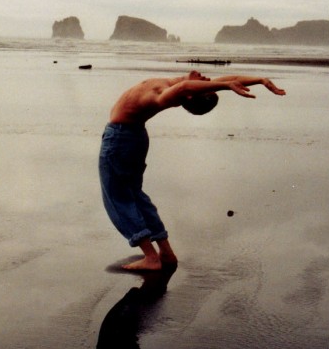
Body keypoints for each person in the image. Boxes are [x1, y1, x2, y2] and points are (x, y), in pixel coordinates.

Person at [99, 70, 286, 270]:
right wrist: (259, 79)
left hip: (120, 139)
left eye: (202, 85)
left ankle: (151, 258)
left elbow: (190, 87)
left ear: (189, 95)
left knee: (117, 197)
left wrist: (225, 86)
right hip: (131, 137)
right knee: (135, 195)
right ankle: (166, 253)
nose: (206, 78)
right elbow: (224, 80)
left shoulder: (167, 94)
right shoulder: (175, 86)